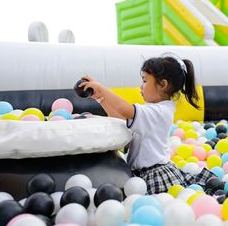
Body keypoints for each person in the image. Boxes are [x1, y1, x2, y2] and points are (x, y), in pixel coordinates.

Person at [79, 54, 216, 194]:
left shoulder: (159, 112)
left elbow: (125, 109)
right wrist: (100, 98)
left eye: (144, 81)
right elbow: (120, 119)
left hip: (155, 174)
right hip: (141, 175)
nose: (141, 86)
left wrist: (101, 89)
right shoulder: (152, 111)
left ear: (163, 84)